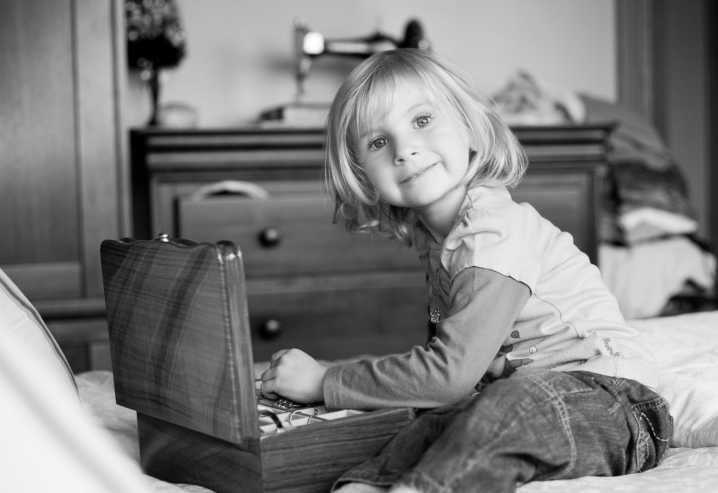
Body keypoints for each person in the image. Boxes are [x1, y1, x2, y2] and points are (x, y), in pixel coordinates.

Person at [259, 49, 672, 493]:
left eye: (421, 121)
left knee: (506, 403)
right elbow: (450, 375)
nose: (405, 150)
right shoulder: (435, 239)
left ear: (469, 128)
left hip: (615, 402)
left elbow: (449, 375)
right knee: (432, 420)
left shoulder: (492, 231)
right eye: (378, 142)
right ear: (362, 171)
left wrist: (327, 379)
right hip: (524, 397)